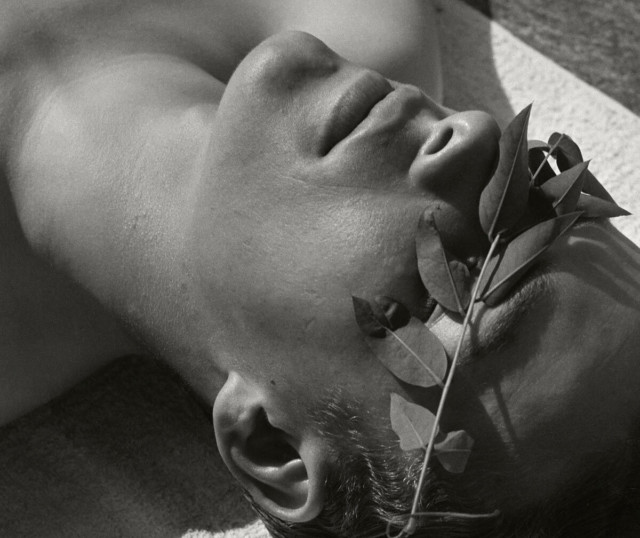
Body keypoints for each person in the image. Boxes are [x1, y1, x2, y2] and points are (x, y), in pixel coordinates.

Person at [2, 1, 639, 536]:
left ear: (270, 446)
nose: (473, 132)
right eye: (538, 182)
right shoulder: (365, 18)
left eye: (465, 277)